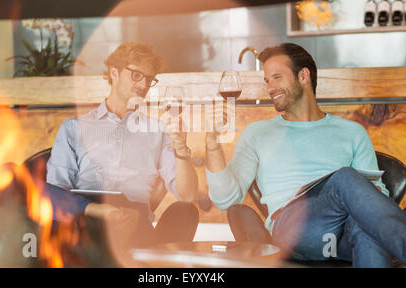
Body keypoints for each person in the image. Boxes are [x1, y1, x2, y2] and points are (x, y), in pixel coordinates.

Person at [205, 43, 406, 267]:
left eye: (277, 77)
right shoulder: (258, 133)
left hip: (339, 239)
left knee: (367, 226)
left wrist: (370, 194)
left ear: (303, 76)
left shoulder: (352, 132)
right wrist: (212, 145)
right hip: (295, 233)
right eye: (267, 81)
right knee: (345, 178)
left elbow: (378, 193)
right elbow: (225, 199)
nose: (270, 87)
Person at [45, 41, 199, 250]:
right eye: (137, 75)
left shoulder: (158, 131)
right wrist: (101, 211)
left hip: (136, 230)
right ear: (114, 73)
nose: (143, 85)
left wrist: (181, 148)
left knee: (185, 211)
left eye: (150, 79)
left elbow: (187, 195)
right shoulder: (74, 128)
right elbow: (55, 193)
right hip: (87, 227)